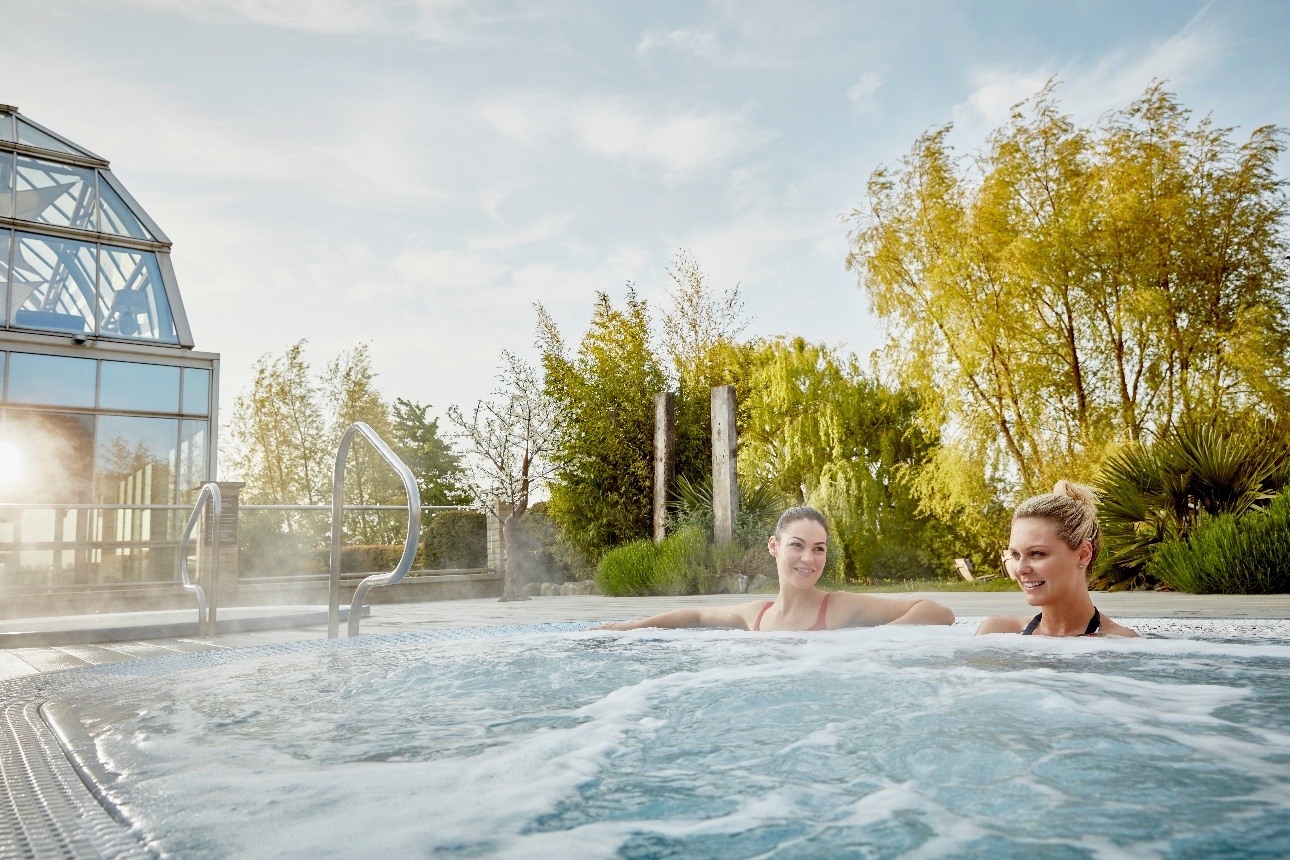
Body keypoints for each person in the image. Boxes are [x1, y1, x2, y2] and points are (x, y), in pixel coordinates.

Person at [595, 506, 955, 632]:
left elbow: (938, 611)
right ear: (774, 546)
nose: (808, 560)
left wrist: (874, 638)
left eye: (818, 549)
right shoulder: (757, 615)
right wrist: (633, 626)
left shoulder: (840, 607)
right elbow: (698, 616)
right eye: (796, 546)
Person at [976, 481, 1138, 637]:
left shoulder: (1120, 643)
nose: (1020, 569)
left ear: (1083, 554)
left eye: (1037, 553)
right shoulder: (997, 632)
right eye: (1015, 555)